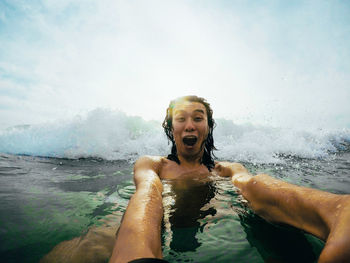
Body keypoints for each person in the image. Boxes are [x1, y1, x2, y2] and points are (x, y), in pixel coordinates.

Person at [109, 95, 350, 263]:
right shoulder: (154, 164)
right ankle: (136, 255)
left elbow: (249, 185)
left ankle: (337, 210)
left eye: (198, 118)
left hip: (216, 221)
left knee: (253, 185)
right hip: (156, 224)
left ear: (208, 126)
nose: (190, 125)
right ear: (172, 127)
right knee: (95, 245)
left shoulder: (224, 169)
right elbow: (147, 192)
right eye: (181, 118)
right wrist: (134, 250)